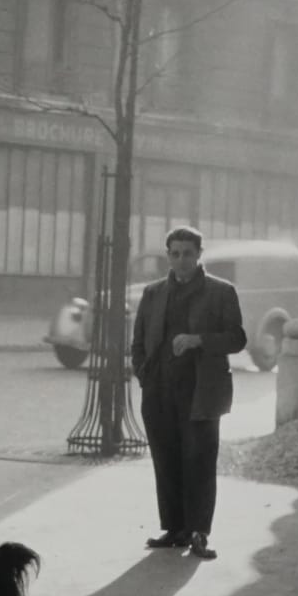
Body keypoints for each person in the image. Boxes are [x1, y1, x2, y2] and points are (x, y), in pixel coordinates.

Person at [129, 226, 246, 561]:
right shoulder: (153, 294)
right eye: (175, 253)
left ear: (199, 256)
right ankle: (174, 528)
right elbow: (138, 343)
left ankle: (198, 532)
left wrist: (198, 340)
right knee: (166, 459)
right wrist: (144, 377)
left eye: (188, 253)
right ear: (168, 256)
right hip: (159, 391)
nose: (181, 260)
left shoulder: (221, 292)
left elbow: (237, 338)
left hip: (201, 392)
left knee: (198, 460)